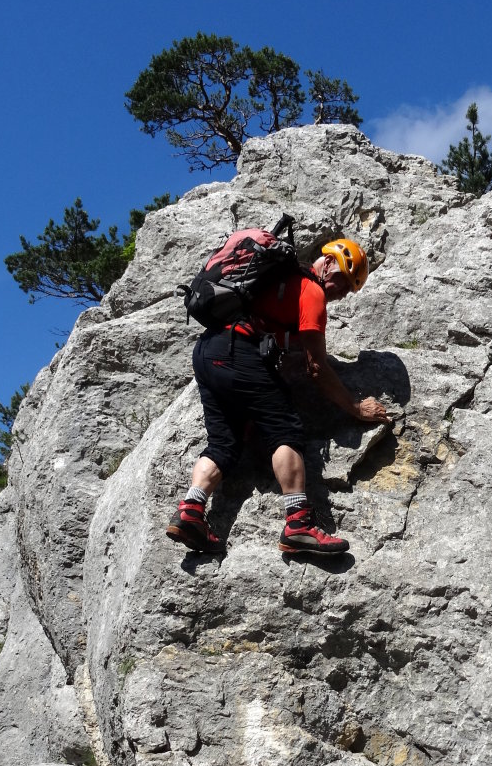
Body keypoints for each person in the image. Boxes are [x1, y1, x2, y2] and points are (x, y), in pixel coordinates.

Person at [166, 237, 390, 556]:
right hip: (238, 352)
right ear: (327, 263)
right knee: (284, 431)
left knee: (224, 444)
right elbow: (316, 366)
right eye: (343, 280)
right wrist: (356, 408)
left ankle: (191, 511)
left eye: (350, 289)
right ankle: (299, 525)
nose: (343, 293)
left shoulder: (281, 281)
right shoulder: (311, 291)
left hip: (208, 352)